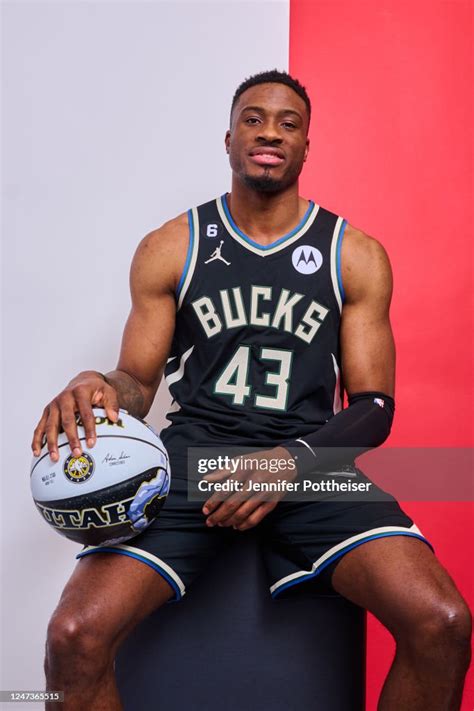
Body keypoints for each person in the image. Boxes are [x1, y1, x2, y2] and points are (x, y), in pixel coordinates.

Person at [32, 70, 471, 710]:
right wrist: (92, 381)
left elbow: (374, 409)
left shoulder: (354, 255)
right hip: (193, 462)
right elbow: (137, 382)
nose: (270, 132)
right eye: (254, 118)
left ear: (306, 146)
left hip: (312, 463)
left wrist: (289, 464)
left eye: (288, 123)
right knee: (73, 635)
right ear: (230, 137)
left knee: (443, 621)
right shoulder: (173, 246)